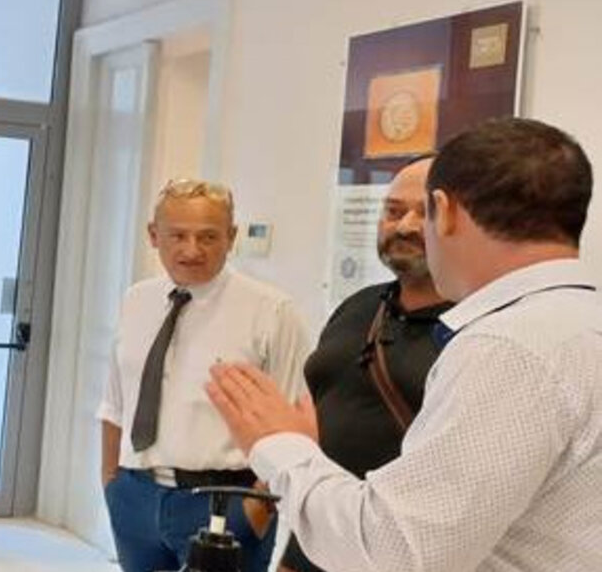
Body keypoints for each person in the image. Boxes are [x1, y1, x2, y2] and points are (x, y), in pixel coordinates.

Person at [207, 117, 602, 572]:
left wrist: (279, 446)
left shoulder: (508, 346)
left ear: (444, 210)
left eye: (423, 213)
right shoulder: (578, 322)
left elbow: (397, 551)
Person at [98, 178, 310, 572]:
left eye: (208, 237)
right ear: (153, 235)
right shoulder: (137, 300)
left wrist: (255, 510)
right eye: (178, 235)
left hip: (225, 502)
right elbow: (114, 404)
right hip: (135, 497)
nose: (192, 250)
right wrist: (112, 482)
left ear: (231, 237)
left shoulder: (271, 311)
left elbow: (295, 424)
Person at [278, 156, 451, 572]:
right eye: (393, 211)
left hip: (400, 551)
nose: (404, 226)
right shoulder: (358, 306)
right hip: (314, 537)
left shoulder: (479, 329)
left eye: (423, 212)